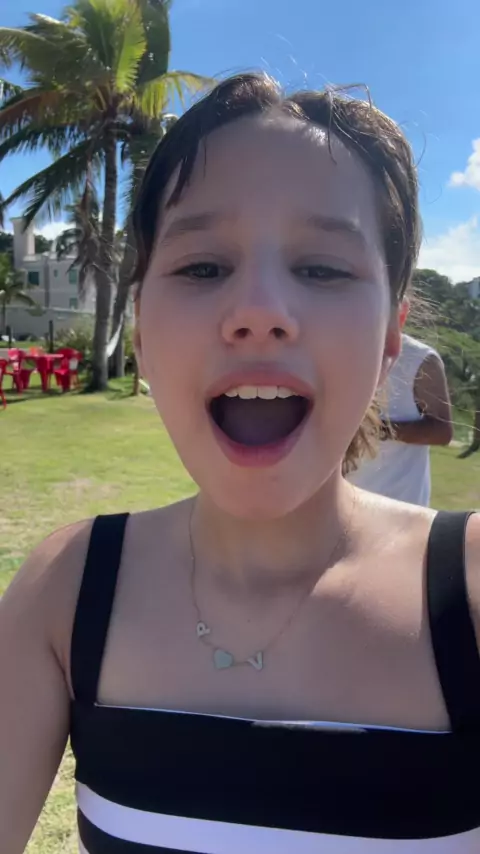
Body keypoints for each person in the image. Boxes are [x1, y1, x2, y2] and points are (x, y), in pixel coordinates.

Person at [1, 73, 480, 854]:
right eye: (201, 267)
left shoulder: (471, 593)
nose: (259, 312)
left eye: (322, 268)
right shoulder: (66, 592)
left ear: (392, 335)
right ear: (141, 327)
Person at [348, 331, 453, 505]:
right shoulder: (334, 349)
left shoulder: (420, 358)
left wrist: (377, 428)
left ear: (401, 316)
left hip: (400, 501)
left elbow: (442, 432)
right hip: (342, 503)